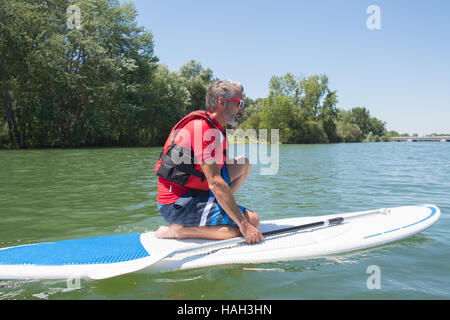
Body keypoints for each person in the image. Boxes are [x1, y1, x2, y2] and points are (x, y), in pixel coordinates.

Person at [154, 80, 263, 244]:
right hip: (177, 203)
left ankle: (218, 210)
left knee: (243, 164)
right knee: (252, 221)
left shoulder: (215, 128)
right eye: (239, 104)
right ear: (221, 102)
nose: (242, 109)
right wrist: (244, 225)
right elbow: (215, 183)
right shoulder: (201, 128)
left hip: (195, 192)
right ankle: (179, 231)